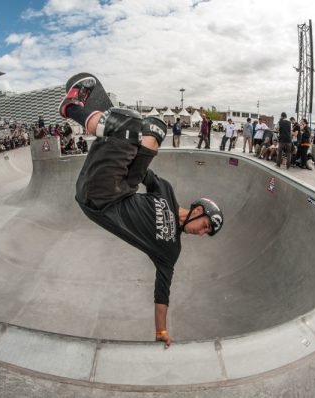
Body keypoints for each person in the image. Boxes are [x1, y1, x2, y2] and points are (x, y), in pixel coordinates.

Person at [59, 76, 224, 348]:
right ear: (199, 209)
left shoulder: (170, 251)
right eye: (207, 225)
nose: (202, 233)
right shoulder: (166, 192)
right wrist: (138, 144)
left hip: (100, 199)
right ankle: (113, 127)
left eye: (207, 233)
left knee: (127, 127)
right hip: (116, 185)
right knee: (155, 130)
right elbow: (143, 171)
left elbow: (162, 294)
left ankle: (73, 109)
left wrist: (161, 332)